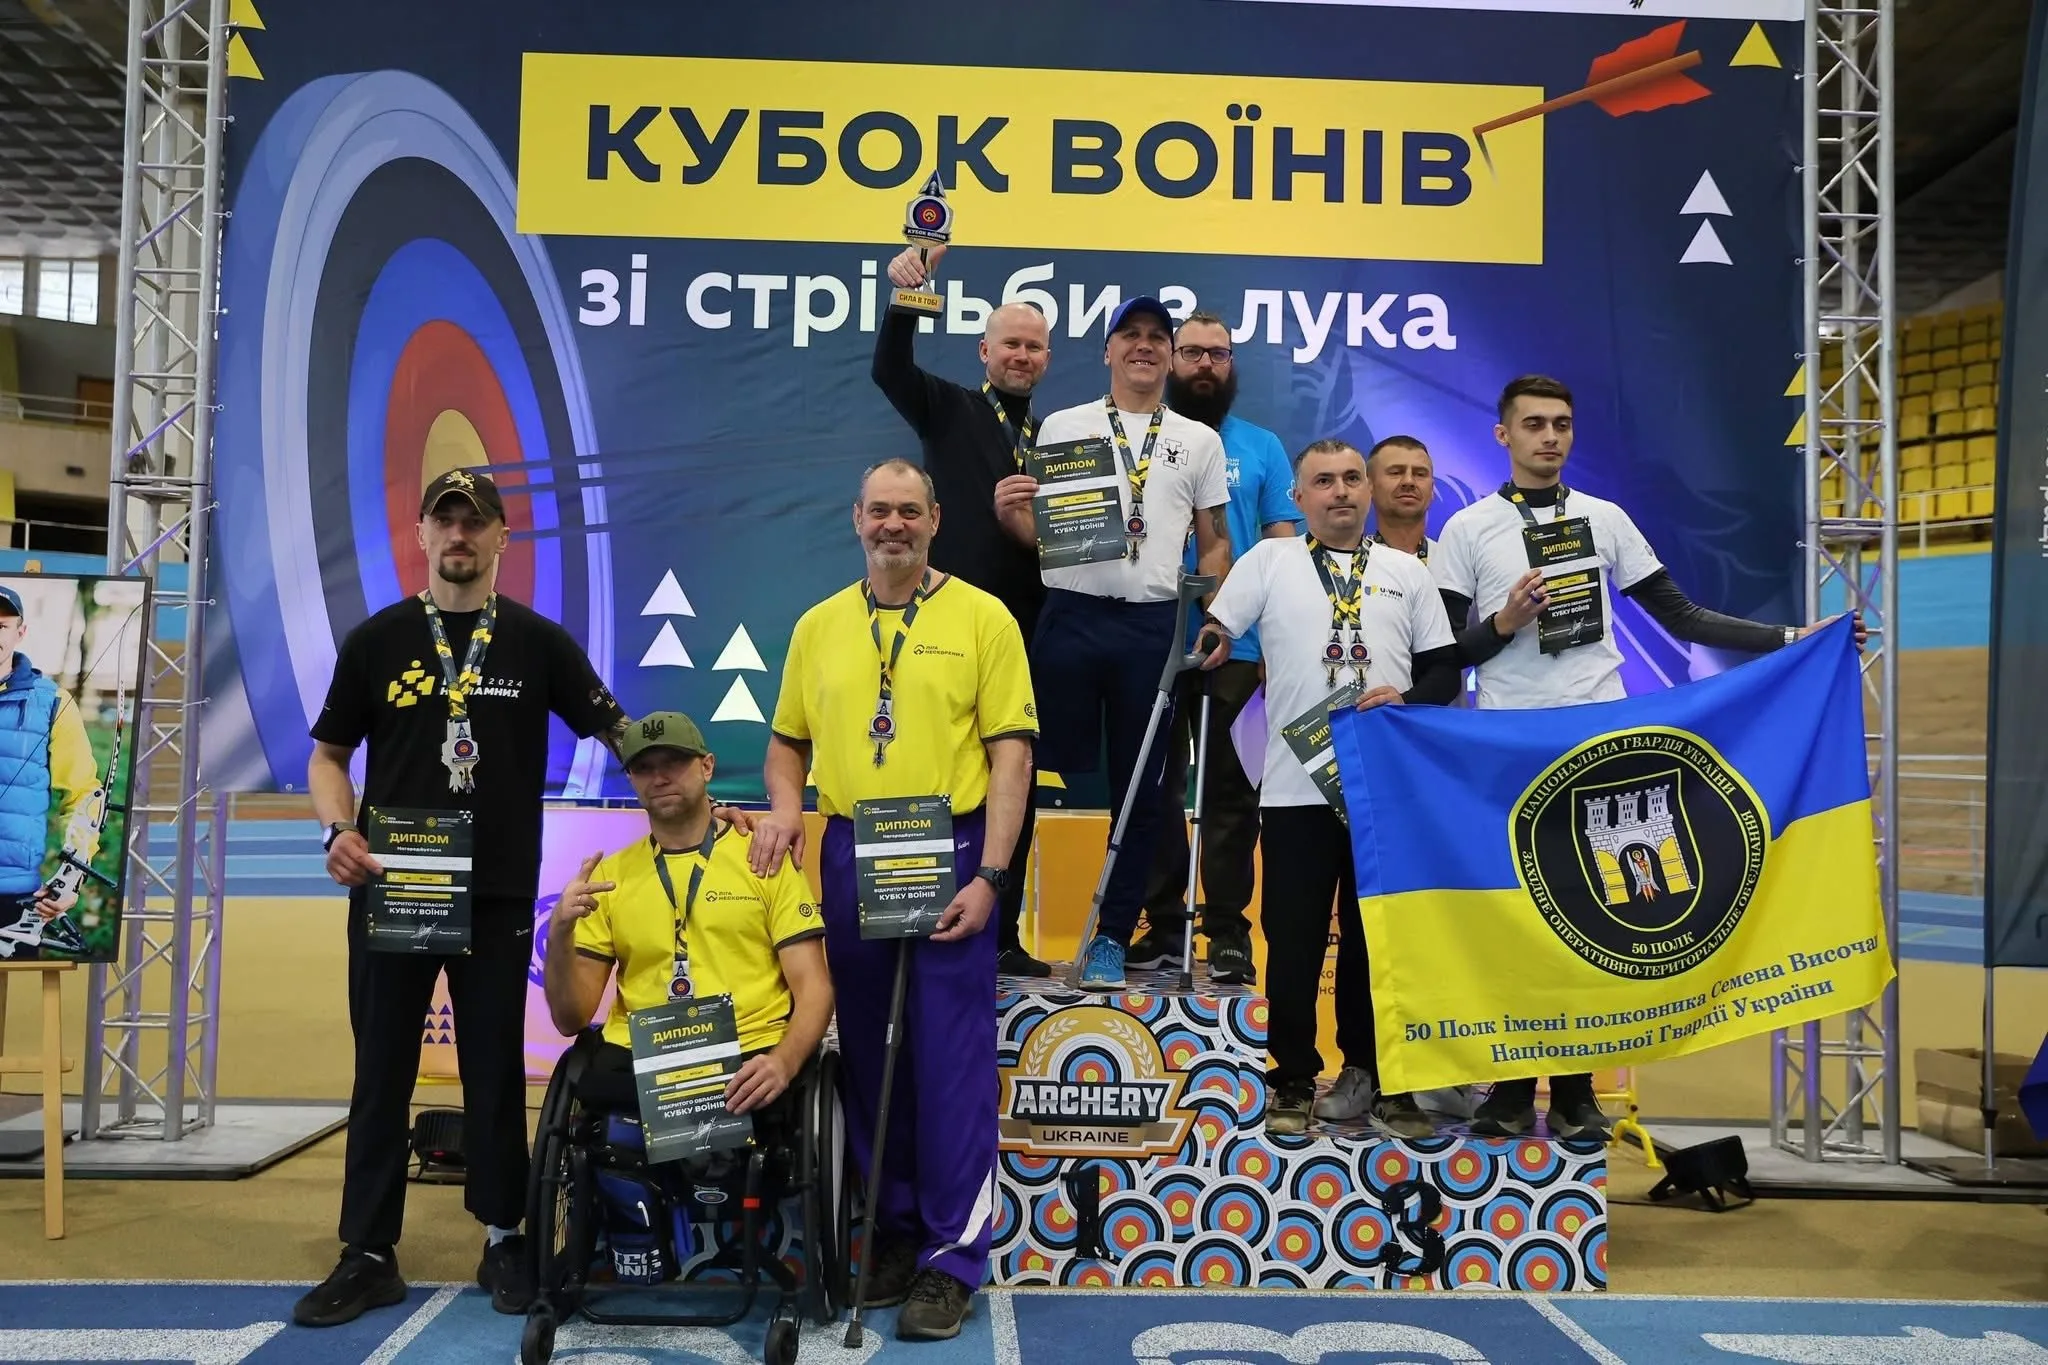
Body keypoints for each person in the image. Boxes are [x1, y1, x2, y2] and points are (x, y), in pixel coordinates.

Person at [1433, 374, 1864, 1140]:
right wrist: (1505, 620)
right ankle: (1510, 1087)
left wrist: (1794, 638)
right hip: (1509, 742)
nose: (1550, 436)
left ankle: (1575, 1091)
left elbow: (1683, 616)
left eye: (1561, 423)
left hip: (1598, 737)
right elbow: (1448, 655)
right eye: (1534, 424)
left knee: (1586, 911)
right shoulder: (1468, 529)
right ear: (1503, 434)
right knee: (1516, 915)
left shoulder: (1605, 518)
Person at [296, 468, 632, 1328]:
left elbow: (620, 731)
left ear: (500, 539)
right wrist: (337, 831)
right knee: (382, 1072)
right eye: (444, 520)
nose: (459, 535)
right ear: (421, 533)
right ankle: (368, 1251)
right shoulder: (376, 641)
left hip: (496, 893)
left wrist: (697, 791)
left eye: (475, 522)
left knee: (492, 1069)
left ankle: (503, 1235)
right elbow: (328, 757)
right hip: (396, 889)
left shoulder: (536, 642)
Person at [751, 458, 1035, 1341]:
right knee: (872, 1054)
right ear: (856, 518)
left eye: (910, 510)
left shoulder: (984, 617)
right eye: (880, 510)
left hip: (950, 849)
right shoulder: (818, 625)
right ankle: (891, 1229)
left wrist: (991, 874)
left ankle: (952, 1255)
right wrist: (788, 809)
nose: (894, 525)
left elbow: (1012, 755)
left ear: (935, 520)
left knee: (949, 1060)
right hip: (854, 850)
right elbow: (786, 744)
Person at [1196, 440, 1460, 1136]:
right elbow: (1219, 630)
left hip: (1385, 791)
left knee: (1379, 942)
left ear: (1368, 491)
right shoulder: (1270, 560)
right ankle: (1289, 1077)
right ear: (1299, 498)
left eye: (1350, 479)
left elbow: (1444, 672)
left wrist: (1406, 697)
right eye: (1323, 481)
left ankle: (1377, 1077)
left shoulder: (1407, 570)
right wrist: (1213, 637)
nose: (1339, 491)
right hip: (1295, 789)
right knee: (1294, 938)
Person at [1009, 297, 1232, 990]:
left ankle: (1110, 936)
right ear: (1107, 350)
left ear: (1170, 354)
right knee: (1025, 770)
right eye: (1130, 335)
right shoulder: (1063, 426)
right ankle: (1000, 933)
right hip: (1069, 617)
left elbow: (1215, 541)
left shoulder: (1198, 440)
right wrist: (1014, 522)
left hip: (1151, 626)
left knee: (1143, 788)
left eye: (1157, 337)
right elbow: (1044, 533)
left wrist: (1213, 614)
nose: (1144, 346)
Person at [541, 709, 833, 1179]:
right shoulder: (610, 876)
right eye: (643, 767)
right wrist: (559, 935)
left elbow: (815, 989)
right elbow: (570, 1018)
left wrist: (783, 1062)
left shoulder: (764, 859)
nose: (659, 777)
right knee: (594, 1094)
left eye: (674, 762)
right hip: (643, 1053)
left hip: (745, 1049)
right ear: (631, 779)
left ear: (707, 767)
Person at [875, 246, 1054, 977]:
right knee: (930, 764)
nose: (1021, 355)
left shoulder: (1061, 439)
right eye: (1010, 343)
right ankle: (913, 915)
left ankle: (1002, 932)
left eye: (1033, 346)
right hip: (945, 624)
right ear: (985, 351)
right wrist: (908, 295)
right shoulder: (950, 406)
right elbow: (890, 369)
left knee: (1017, 777)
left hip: (1032, 629)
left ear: (1046, 360)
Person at [1128, 310, 1299, 985]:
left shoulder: (1261, 445)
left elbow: (1284, 550)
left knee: (1233, 796)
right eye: (1192, 352)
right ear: (1171, 361)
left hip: (1243, 646)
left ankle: (1227, 932)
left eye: (1217, 354)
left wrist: (1279, 637)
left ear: (1231, 364)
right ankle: (1165, 924)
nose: (1204, 364)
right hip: (1155, 639)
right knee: (1155, 787)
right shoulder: (1144, 437)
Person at [0, 584, 101, 959]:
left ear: (20, 632)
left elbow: (83, 795)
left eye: (2, 625)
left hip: (14, 899)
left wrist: (70, 879)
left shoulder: (53, 703)